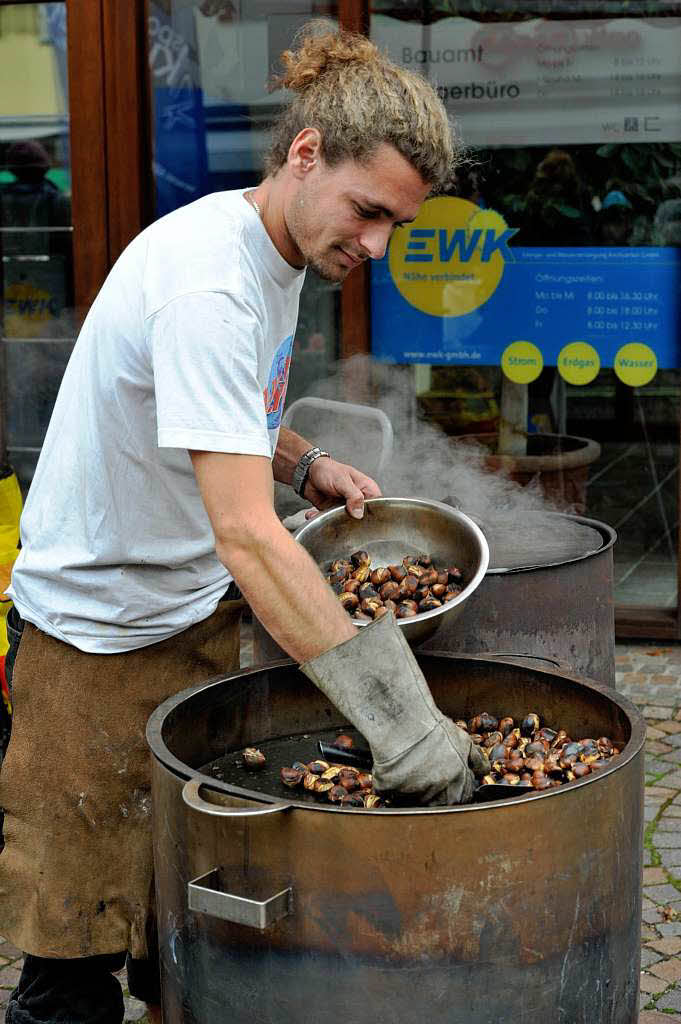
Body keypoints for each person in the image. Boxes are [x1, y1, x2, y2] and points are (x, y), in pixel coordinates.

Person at [0, 22, 485, 1024]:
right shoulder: (212, 281)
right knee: (74, 956)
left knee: (180, 929)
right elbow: (249, 538)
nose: (379, 246)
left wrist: (299, 460)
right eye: (368, 212)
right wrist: (400, 721)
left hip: (188, 620)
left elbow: (217, 411)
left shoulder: (276, 247)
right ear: (305, 154)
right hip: (90, 644)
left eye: (397, 222)